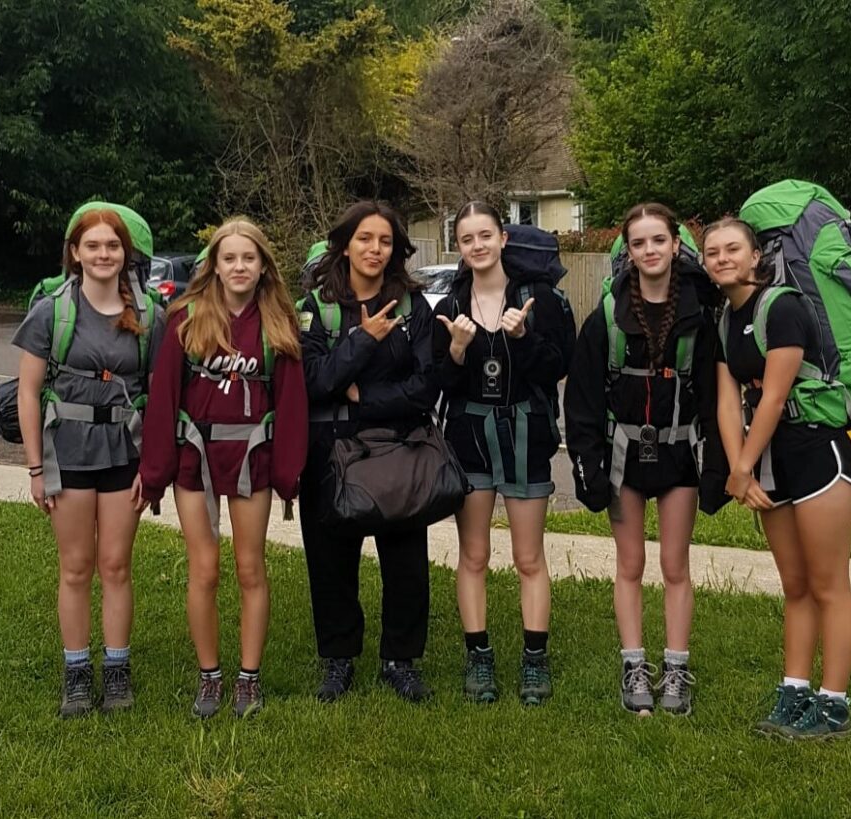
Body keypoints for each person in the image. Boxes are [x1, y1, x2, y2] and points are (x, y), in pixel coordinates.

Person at [139, 218, 308, 719]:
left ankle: (248, 678)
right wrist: (155, 472)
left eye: (248, 258)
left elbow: (293, 405)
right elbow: (164, 398)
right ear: (213, 264)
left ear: (263, 267)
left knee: (250, 567)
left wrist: (287, 473)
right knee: (204, 569)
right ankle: (210, 675)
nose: (239, 266)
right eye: (229, 258)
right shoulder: (186, 319)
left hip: (252, 456)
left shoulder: (277, 323)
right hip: (196, 457)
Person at [703, 217, 851, 740]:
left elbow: (773, 395)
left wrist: (744, 467)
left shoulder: (783, 305)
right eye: (711, 252)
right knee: (795, 585)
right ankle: (795, 690)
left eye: (732, 250)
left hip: (818, 451)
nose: (722, 258)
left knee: (827, 584)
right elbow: (729, 400)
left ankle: (833, 703)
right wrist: (736, 470)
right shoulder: (725, 319)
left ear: (755, 258)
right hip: (771, 460)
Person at [564, 203, 718, 716]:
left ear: (677, 245)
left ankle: (675, 667)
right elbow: (582, 399)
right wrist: (587, 467)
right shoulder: (607, 318)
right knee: (629, 564)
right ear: (626, 253)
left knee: (676, 565)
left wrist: (717, 467)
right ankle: (634, 665)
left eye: (658, 240)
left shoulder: (699, 317)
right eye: (638, 243)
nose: (649, 251)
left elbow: (717, 399)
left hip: (678, 458)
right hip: (622, 459)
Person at [14, 207, 166, 717]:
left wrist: (154, 465)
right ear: (75, 253)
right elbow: (29, 393)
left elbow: (159, 394)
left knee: (116, 565)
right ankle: (77, 671)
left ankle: (117, 670)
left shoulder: (148, 315)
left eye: (113, 246)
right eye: (93, 246)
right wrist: (37, 468)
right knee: (76, 567)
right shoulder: (51, 311)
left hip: (126, 453)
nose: (104, 254)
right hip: (70, 455)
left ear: (126, 254)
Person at [432, 201, 573, 706]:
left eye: (485, 235)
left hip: (527, 432)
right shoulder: (449, 307)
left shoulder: (540, 299)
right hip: (468, 434)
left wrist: (524, 336)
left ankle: (535, 660)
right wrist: (455, 351)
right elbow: (438, 383)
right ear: (460, 248)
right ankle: (479, 656)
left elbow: (559, 366)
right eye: (467, 239)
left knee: (528, 556)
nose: (477, 246)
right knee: (472, 555)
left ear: (503, 239)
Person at [299, 201, 438, 703]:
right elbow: (311, 382)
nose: (374, 249)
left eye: (384, 241)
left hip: (396, 450)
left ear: (396, 248)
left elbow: (425, 387)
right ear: (345, 244)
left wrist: (363, 395)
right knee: (331, 559)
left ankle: (400, 659)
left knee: (405, 560)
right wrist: (360, 342)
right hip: (329, 450)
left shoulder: (412, 306)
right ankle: (339, 659)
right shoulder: (316, 306)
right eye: (365, 239)